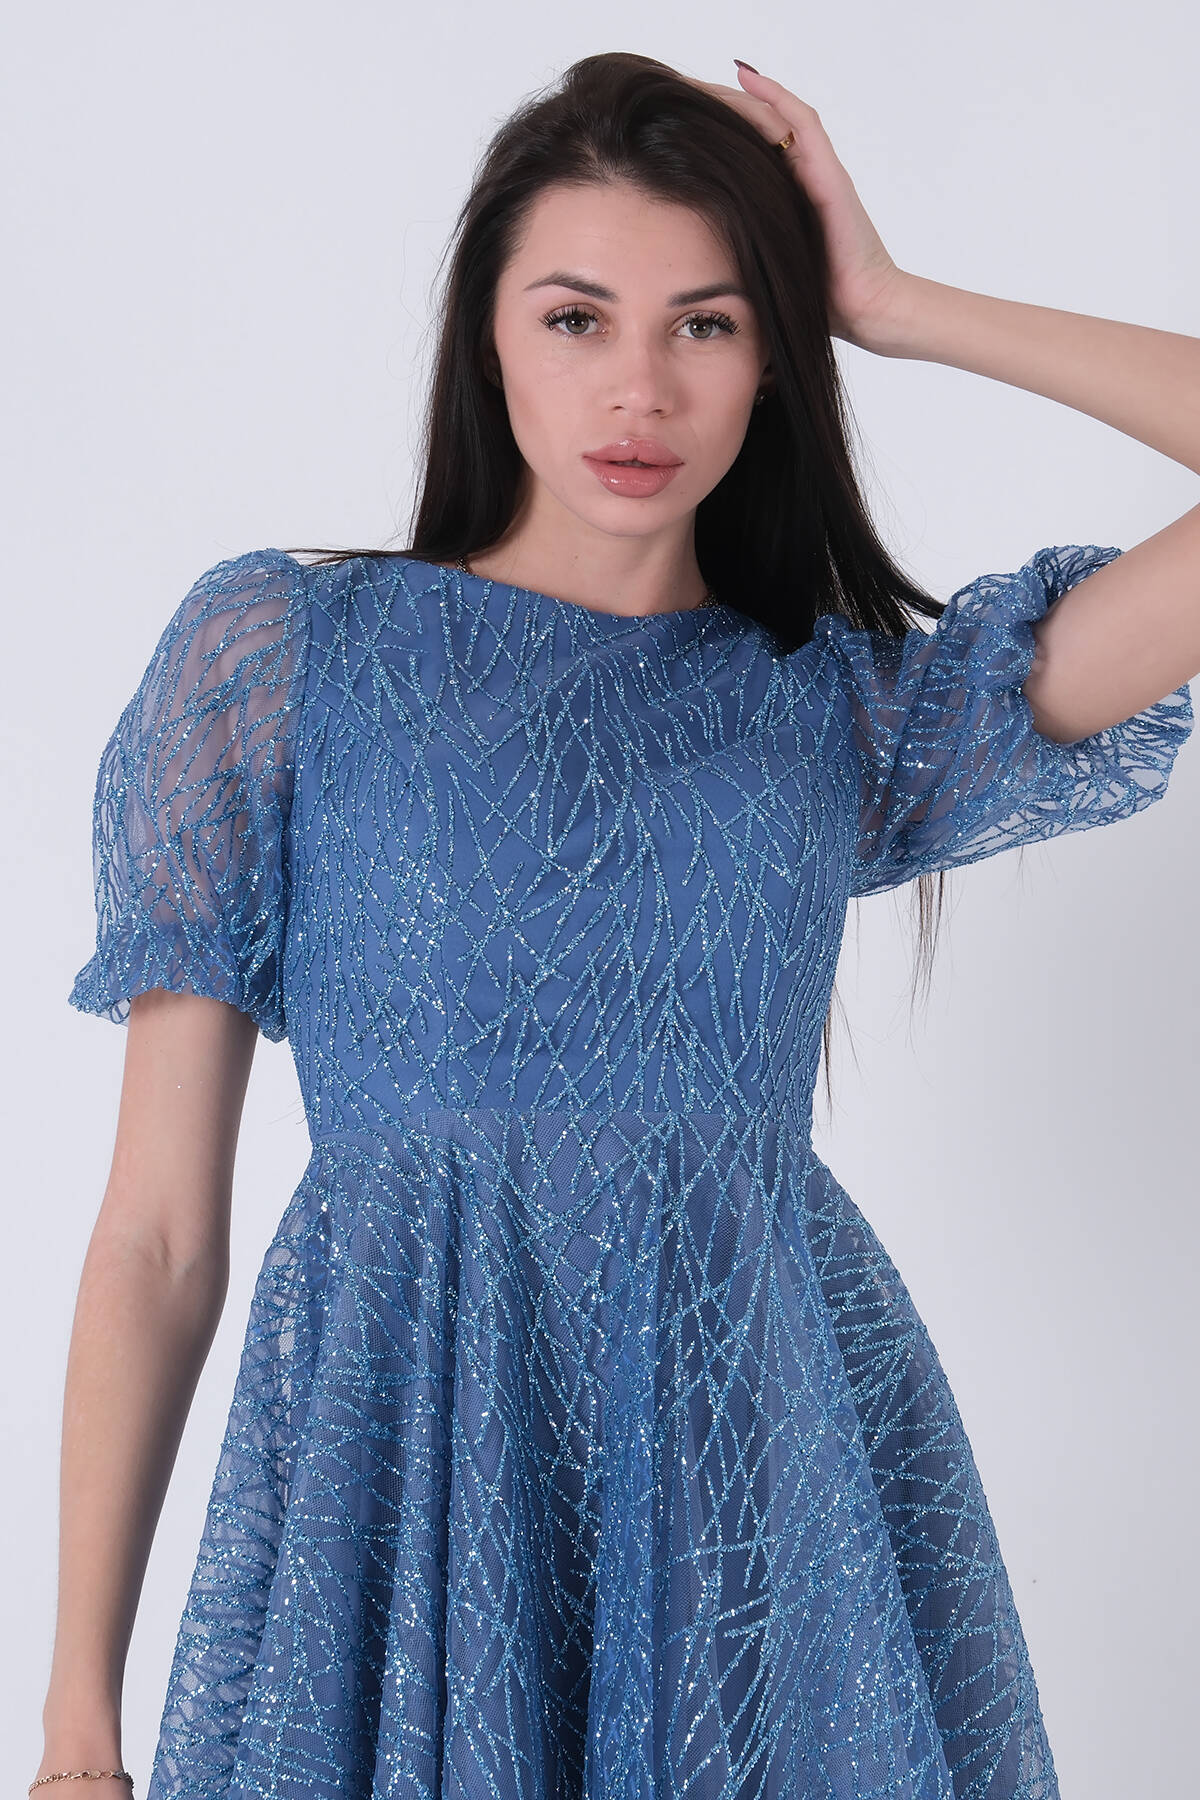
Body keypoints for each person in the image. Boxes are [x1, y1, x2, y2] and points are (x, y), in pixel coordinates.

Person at [35, 47, 1197, 1800]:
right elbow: (156, 1239)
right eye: (576, 319)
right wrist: (76, 1727)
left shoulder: (840, 706)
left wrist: (896, 303)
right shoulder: (285, 660)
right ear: (487, 337)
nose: (638, 388)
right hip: (395, 1492)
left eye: (708, 324)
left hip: (756, 1505)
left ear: (774, 359)